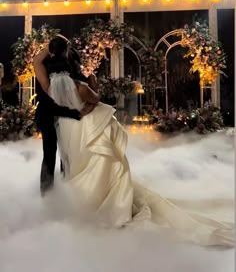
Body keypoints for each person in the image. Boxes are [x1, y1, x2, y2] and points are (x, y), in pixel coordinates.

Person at [35, 43, 234, 247]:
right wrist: (90, 92)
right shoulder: (81, 87)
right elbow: (96, 99)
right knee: (94, 162)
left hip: (66, 129)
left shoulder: (48, 87)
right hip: (82, 128)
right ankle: (98, 200)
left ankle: (63, 203)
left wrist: (50, 48)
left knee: (68, 163)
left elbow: (36, 63)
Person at [33, 36, 90, 196]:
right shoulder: (59, 64)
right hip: (59, 113)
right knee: (55, 153)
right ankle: (49, 192)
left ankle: (59, 191)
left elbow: (38, 62)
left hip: (60, 112)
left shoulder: (45, 64)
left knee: (62, 153)